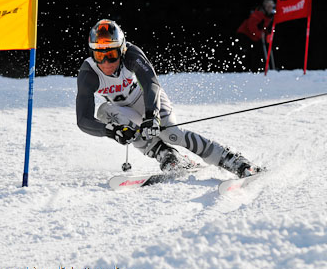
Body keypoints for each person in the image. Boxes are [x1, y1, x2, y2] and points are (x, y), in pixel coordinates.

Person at [76, 19, 262, 178]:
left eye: (111, 55)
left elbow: (151, 84)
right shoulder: (88, 73)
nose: (106, 62)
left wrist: (152, 115)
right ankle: (166, 155)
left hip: (149, 100)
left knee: (172, 134)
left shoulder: (131, 55)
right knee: (104, 113)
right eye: (100, 55)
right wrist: (112, 131)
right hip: (124, 111)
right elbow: (83, 120)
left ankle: (233, 160)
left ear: (122, 49)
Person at [236, 0, 276, 72]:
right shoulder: (257, 14)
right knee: (248, 53)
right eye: (268, 7)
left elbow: (264, 28)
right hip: (245, 35)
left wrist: (267, 34)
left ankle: (258, 69)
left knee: (257, 52)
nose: (270, 9)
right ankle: (245, 70)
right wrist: (260, 35)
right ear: (264, 7)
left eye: (272, 7)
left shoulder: (269, 16)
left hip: (254, 37)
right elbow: (251, 27)